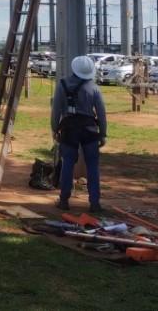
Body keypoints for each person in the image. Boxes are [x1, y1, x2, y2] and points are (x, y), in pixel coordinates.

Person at [51, 56, 107, 212]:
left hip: (69, 130)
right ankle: (95, 203)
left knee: (68, 163)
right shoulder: (94, 88)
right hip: (89, 130)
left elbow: (56, 110)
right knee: (92, 166)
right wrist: (102, 134)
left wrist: (55, 129)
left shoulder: (62, 85)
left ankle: (64, 200)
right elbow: (101, 113)